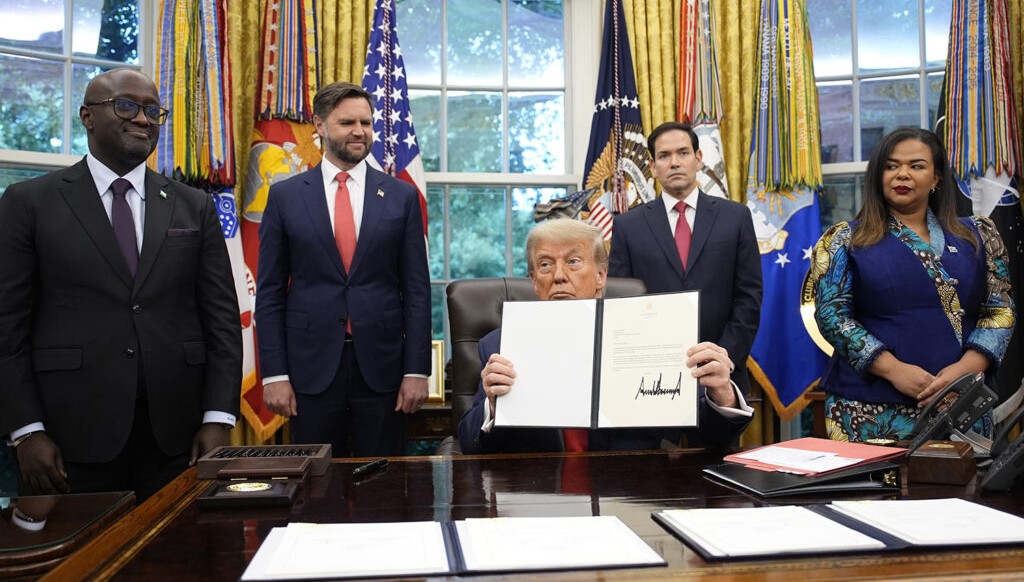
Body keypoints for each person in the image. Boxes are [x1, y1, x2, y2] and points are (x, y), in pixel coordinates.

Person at [0, 69, 242, 501]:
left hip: (178, 438)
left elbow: (222, 320)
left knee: (179, 545)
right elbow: (7, 325)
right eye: (126, 106)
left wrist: (219, 417)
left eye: (153, 110)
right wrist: (26, 430)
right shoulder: (28, 202)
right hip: (68, 437)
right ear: (87, 117)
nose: (143, 119)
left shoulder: (194, 206)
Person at [458, 218, 753, 454]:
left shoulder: (655, 334)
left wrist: (723, 394)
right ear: (534, 281)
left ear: (600, 276)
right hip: (539, 493)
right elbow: (470, 446)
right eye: (545, 264)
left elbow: (715, 438)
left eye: (573, 261)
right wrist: (493, 407)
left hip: (629, 490)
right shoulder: (500, 345)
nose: (558, 275)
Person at [255, 82, 431, 457]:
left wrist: (417, 370)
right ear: (319, 125)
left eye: (366, 123)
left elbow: (417, 290)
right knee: (315, 479)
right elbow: (269, 293)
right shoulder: (285, 196)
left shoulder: (400, 196)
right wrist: (274, 374)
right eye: (347, 122)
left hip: (383, 368)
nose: (359, 131)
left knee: (382, 478)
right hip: (309, 368)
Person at [809, 127, 1015, 442]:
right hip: (867, 408)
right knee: (874, 479)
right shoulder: (844, 239)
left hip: (962, 401)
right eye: (891, 166)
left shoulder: (980, 234)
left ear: (936, 179)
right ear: (878, 176)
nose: (902, 174)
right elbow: (832, 316)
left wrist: (964, 370)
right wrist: (894, 370)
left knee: (967, 477)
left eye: (916, 166)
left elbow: (1000, 311)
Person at [608, 121, 762, 395]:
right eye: (664, 156)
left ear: (698, 158)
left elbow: (749, 296)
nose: (674, 162)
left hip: (722, 373)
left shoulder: (735, 217)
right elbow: (621, 303)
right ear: (653, 167)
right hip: (650, 376)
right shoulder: (628, 226)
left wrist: (723, 358)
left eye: (683, 153)